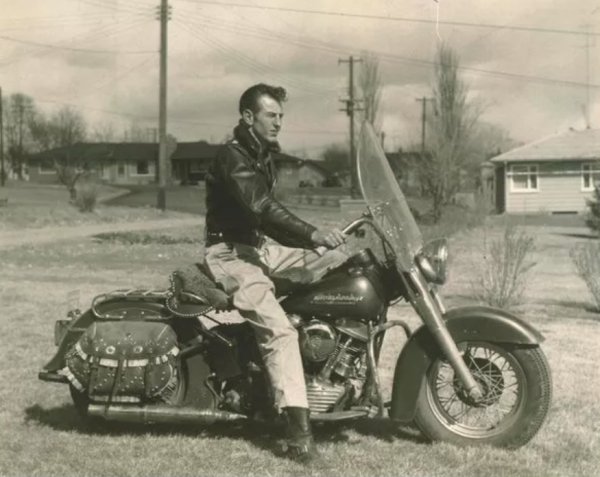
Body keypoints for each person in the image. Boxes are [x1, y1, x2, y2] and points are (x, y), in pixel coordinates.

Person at [203, 83, 347, 462]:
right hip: (230, 254)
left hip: (257, 248)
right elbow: (262, 207)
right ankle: (298, 433)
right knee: (280, 332)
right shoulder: (232, 157)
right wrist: (311, 233)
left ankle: (327, 357)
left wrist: (313, 245)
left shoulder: (260, 156)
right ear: (248, 117)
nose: (278, 122)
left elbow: (267, 220)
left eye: (281, 116)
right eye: (271, 115)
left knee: (336, 262)